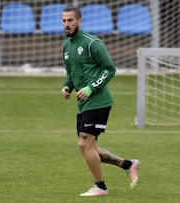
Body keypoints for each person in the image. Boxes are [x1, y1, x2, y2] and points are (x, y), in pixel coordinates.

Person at [60, 6, 140, 196]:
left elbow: (110, 69)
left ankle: (100, 186)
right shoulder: (66, 46)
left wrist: (90, 88)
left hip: (99, 101)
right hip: (83, 104)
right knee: (91, 148)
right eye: (64, 21)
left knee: (83, 144)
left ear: (80, 21)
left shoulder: (92, 43)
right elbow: (71, 73)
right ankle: (128, 165)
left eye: (70, 20)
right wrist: (67, 87)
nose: (67, 25)